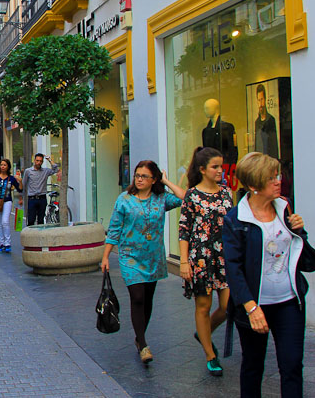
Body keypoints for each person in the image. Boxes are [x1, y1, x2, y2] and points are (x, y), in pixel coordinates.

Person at [223, 152, 308, 397]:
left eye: (277, 175)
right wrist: (251, 307)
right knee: (253, 366)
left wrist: (301, 232)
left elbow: (297, 251)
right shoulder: (236, 219)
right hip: (254, 305)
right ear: (253, 186)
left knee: (292, 365)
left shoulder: (285, 207)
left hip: (290, 302)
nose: (278, 181)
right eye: (271, 178)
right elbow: (233, 267)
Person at [100, 161, 185, 364]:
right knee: (137, 297)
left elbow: (184, 198)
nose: (139, 179)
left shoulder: (161, 199)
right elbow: (114, 229)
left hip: (153, 258)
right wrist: (105, 256)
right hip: (130, 257)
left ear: (153, 179)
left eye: (144, 176)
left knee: (147, 299)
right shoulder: (124, 200)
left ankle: (139, 338)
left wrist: (166, 181)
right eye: (137, 175)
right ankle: (143, 343)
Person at [178, 147, 233, 376]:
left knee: (229, 306)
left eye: (221, 166)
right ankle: (211, 355)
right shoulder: (192, 195)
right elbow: (184, 230)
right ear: (202, 170)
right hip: (200, 257)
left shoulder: (227, 193)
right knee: (203, 305)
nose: (220, 171)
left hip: (225, 255)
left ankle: (204, 333)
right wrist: (183, 262)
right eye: (215, 166)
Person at [0, 159, 22, 254]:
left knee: (5, 221)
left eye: (4, 165)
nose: (2, 166)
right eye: (1, 165)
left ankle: (8, 243)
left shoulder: (11, 178)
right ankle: (2, 243)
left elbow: (19, 190)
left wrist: (20, 182)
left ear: (8, 167)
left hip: (7, 201)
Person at [19, 153, 59, 226]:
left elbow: (56, 169)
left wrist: (49, 159)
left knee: (41, 220)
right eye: (37, 160)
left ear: (42, 162)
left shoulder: (45, 171)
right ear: (34, 160)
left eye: (40, 161)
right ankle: (30, 236)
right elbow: (24, 185)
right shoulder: (28, 171)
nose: (38, 162)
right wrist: (21, 197)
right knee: (31, 220)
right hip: (32, 199)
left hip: (42, 198)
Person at [254, 84, 279, 159]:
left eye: (262, 99)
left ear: (265, 99)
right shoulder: (257, 122)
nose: (260, 103)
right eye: (259, 100)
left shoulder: (270, 120)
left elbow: (274, 147)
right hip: (259, 163)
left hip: (268, 162)